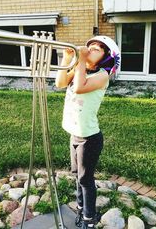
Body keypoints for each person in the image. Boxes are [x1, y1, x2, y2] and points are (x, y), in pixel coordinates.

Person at [55, 35, 120, 229]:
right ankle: (82, 208)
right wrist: (67, 59)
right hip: (75, 133)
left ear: (106, 58)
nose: (91, 49)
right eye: (90, 45)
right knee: (77, 174)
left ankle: (90, 218)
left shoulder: (102, 76)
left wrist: (81, 59)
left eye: (97, 49)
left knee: (85, 178)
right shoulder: (79, 69)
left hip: (89, 137)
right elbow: (60, 83)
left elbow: (80, 87)